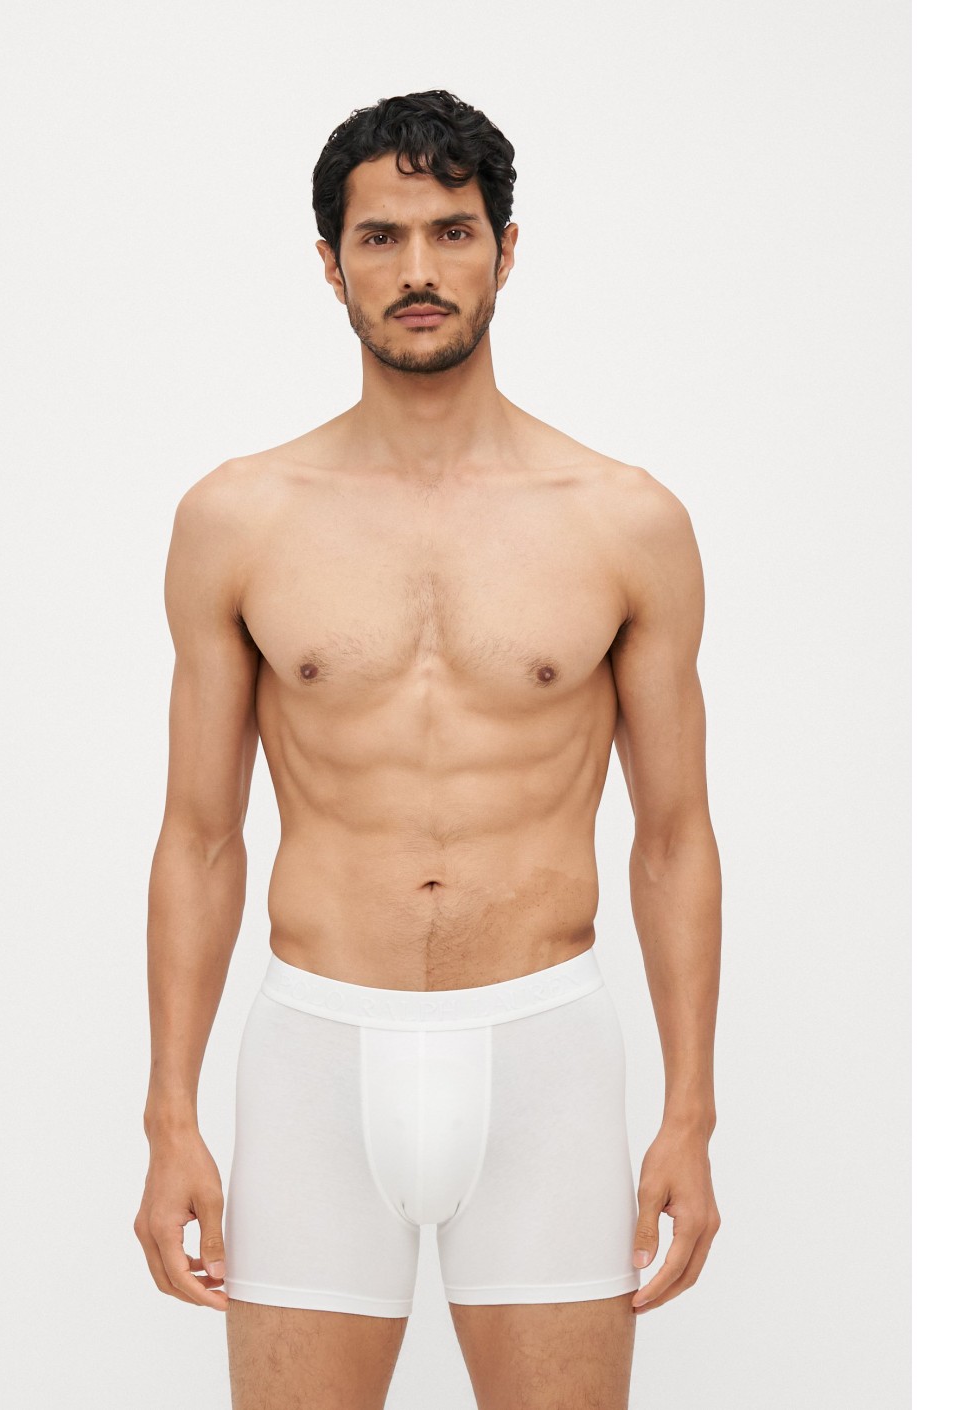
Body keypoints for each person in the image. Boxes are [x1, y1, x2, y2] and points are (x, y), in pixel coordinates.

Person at [134, 88, 722, 1410]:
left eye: (452, 232)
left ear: (505, 251)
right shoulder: (238, 518)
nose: (417, 270)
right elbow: (200, 835)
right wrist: (170, 1114)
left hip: (545, 1053)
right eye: (381, 236)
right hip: (312, 1054)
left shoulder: (625, 521)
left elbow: (674, 837)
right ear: (330, 261)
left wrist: (689, 1111)